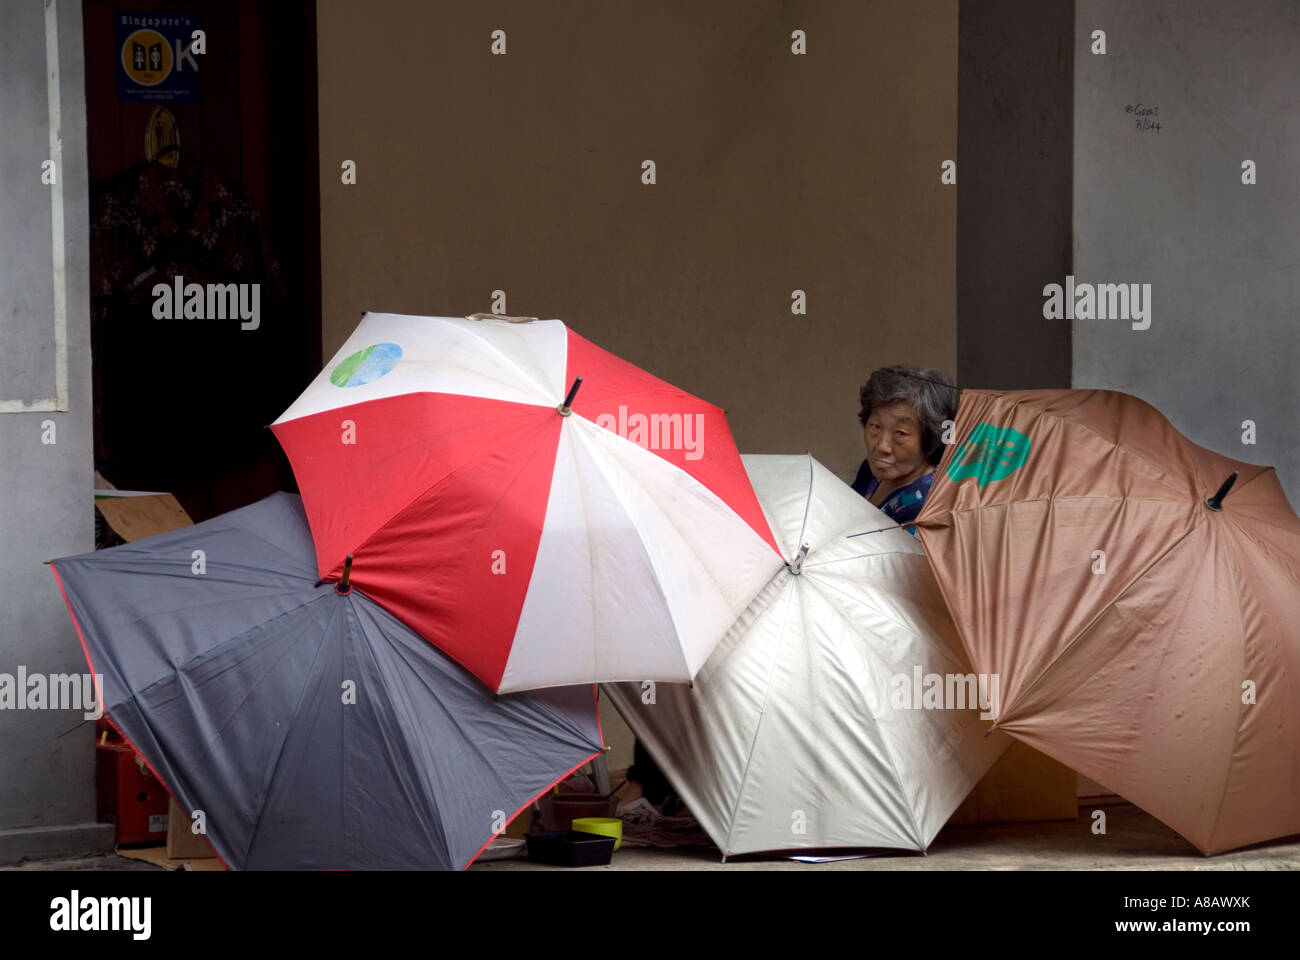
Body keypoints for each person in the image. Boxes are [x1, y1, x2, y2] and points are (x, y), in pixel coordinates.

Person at [852, 365, 959, 534]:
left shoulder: (927, 508)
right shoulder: (870, 473)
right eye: (875, 427)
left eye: (900, 433)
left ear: (930, 437)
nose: (881, 446)